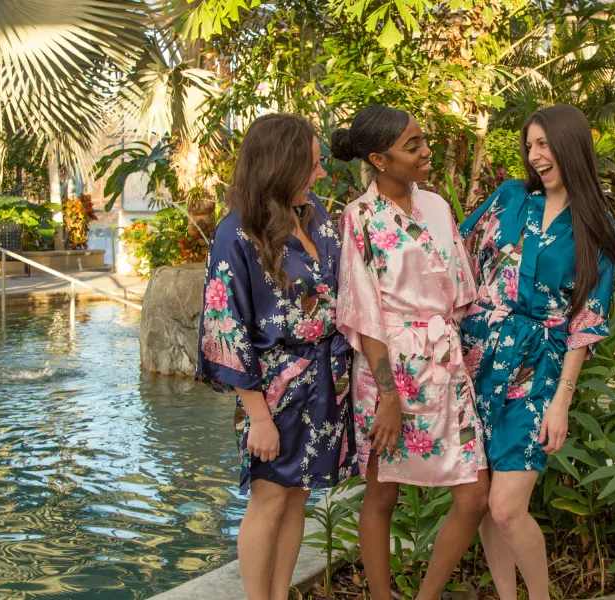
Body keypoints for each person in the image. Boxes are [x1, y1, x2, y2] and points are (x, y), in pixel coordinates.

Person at [458, 105, 615, 599]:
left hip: (538, 371)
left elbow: (586, 322)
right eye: (529, 145)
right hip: (478, 360)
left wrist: (562, 403)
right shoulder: (510, 198)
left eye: (544, 144)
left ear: (570, 146)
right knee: (489, 501)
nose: (535, 155)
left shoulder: (597, 225)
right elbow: (456, 256)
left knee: (508, 506)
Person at [196, 113, 356, 600]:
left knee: (298, 498)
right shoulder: (236, 233)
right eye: (311, 164)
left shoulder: (316, 217)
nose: (320, 174)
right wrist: (258, 418)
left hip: (326, 384)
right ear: (280, 165)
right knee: (268, 499)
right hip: (274, 392)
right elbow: (226, 329)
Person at [333, 104, 489, 600]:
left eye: (424, 140)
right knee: (382, 493)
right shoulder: (358, 218)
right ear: (380, 159)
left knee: (473, 495)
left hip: (443, 364)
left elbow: (461, 291)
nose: (427, 151)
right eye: (413, 145)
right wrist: (387, 397)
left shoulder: (439, 207)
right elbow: (363, 310)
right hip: (388, 372)